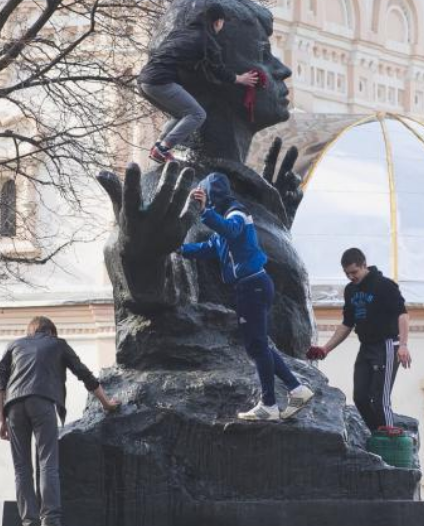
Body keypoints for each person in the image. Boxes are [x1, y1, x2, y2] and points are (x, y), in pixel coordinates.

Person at [179, 172, 314, 421]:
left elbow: (231, 230)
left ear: (213, 194)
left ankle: (270, 405)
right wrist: (178, 248)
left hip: (253, 286)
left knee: (257, 346)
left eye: (206, 195)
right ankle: (296, 389)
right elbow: (209, 247)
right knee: (258, 344)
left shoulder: (236, 212)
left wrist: (204, 212)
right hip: (250, 286)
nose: (204, 200)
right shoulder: (224, 219)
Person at [0, 316, 120, 526]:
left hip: (13, 407)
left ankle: (29, 521)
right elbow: (84, 375)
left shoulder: (14, 345)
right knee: (47, 464)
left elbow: (0, 383)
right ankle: (50, 520)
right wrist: (107, 404)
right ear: (51, 332)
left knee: (21, 468)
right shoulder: (58, 344)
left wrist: (1, 420)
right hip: (42, 401)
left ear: (31, 332)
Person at [138, 3, 258, 164]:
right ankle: (163, 148)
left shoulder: (181, 32)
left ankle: (159, 147)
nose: (222, 27)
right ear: (217, 22)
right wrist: (240, 78)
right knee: (197, 114)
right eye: (222, 23)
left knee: (182, 113)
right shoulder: (207, 40)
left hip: (144, 81)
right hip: (159, 81)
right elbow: (218, 70)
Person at [307, 248, 411, 432]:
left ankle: (390, 438)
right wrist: (326, 348)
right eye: (347, 274)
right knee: (360, 397)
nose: (351, 277)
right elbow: (347, 324)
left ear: (364, 265)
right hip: (366, 347)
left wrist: (403, 345)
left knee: (380, 398)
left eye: (354, 272)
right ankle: (378, 433)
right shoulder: (351, 290)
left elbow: (402, 315)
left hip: (386, 345)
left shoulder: (384, 285)